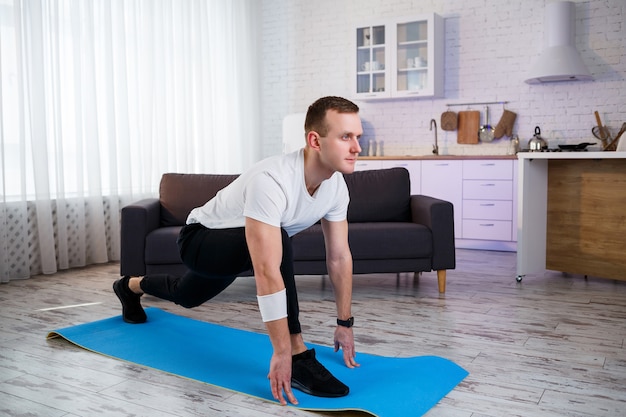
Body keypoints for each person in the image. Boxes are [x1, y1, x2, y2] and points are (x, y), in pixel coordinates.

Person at [113, 96, 363, 406]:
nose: (357, 148)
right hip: (201, 239)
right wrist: (283, 351)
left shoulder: (336, 187)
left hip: (242, 246)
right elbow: (267, 270)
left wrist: (344, 323)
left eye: (358, 137)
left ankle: (129, 286)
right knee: (280, 240)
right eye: (345, 137)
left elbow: (339, 256)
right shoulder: (272, 180)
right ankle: (300, 357)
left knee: (187, 295)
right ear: (315, 140)